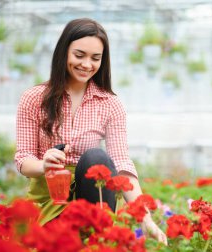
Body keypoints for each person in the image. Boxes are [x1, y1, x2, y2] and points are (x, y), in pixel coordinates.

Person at [14, 18, 167, 244]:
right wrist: (44, 165)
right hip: (50, 197)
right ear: (63, 52)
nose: (87, 64)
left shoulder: (110, 104)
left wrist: (145, 218)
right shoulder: (34, 98)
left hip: (92, 198)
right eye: (79, 55)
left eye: (95, 58)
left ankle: (97, 237)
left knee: (97, 157)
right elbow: (23, 158)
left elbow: (122, 163)